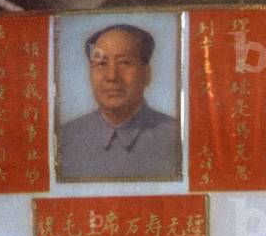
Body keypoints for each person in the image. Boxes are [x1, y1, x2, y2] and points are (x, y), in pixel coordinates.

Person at [59, 23, 181, 181]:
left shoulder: (177, 137)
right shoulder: (65, 137)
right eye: (101, 64)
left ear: (147, 74)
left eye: (124, 63)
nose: (111, 76)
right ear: (90, 74)